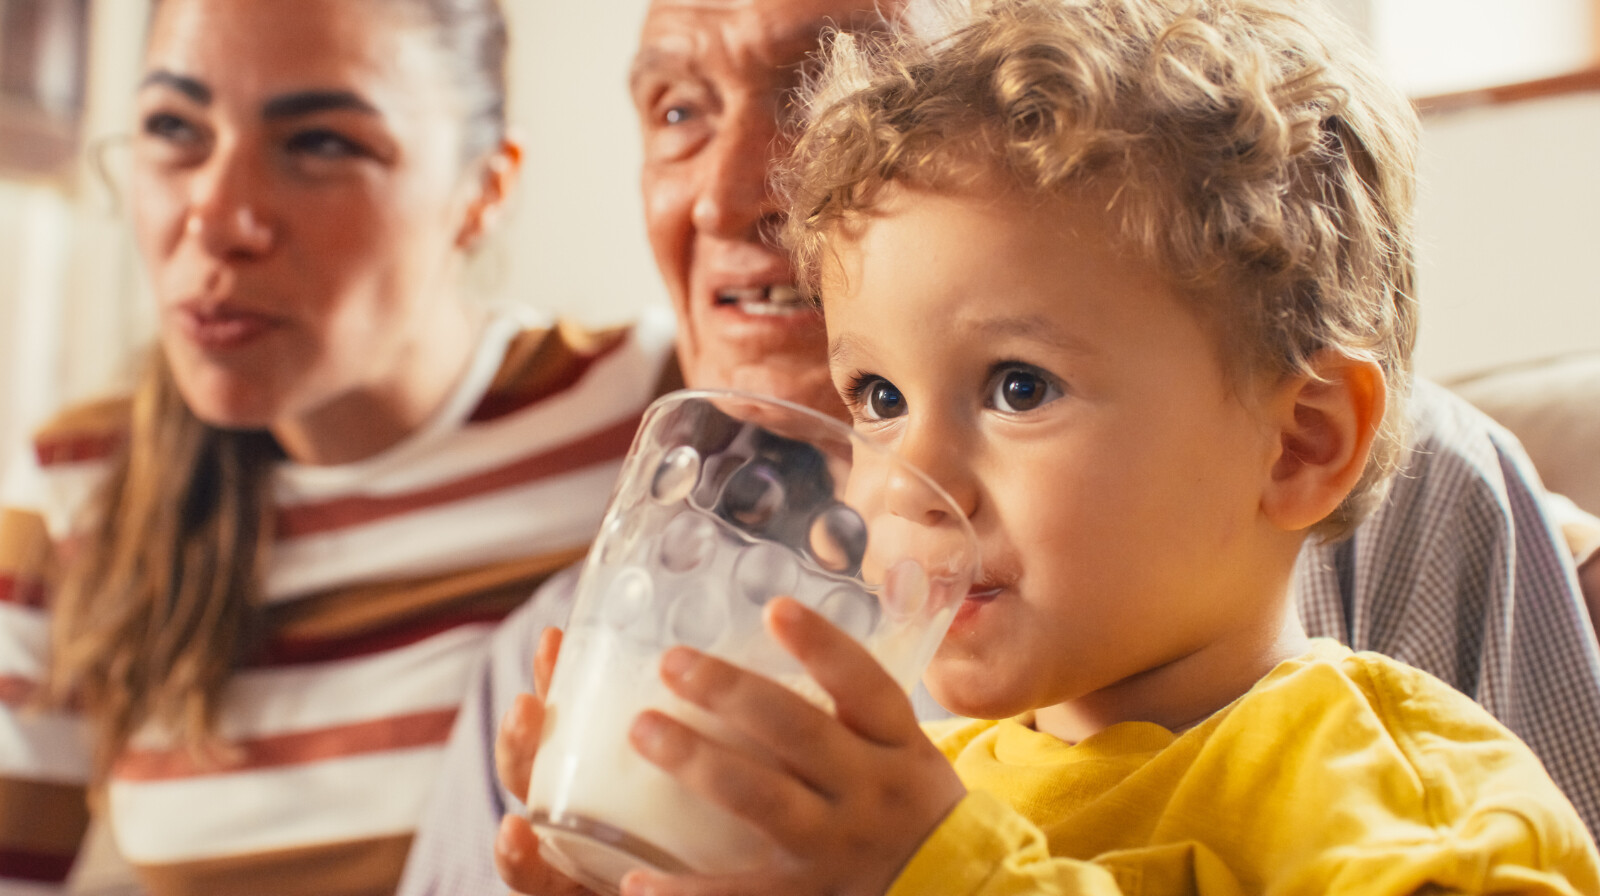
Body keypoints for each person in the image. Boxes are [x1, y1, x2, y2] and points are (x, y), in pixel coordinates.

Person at [395, 2, 1600, 890]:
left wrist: (939, 872)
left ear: (1300, 443)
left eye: (1017, 386)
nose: (912, 481)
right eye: (873, 394)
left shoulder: (1405, 794)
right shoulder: (910, 782)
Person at [0, 0, 675, 893]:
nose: (216, 218)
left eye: (320, 144)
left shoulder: (652, 420)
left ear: (484, 191)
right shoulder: (82, 478)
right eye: (173, 128)